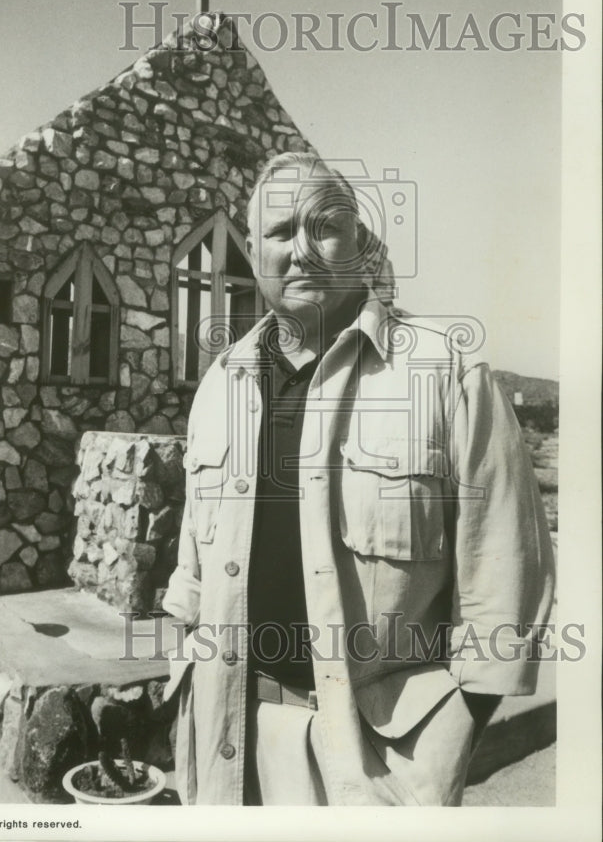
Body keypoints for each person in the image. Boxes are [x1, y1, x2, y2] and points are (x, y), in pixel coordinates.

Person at [162, 152, 555, 806]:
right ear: (251, 251)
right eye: (282, 232)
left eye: (326, 228)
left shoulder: (447, 374)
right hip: (226, 739)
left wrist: (442, 746)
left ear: (360, 243)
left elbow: (504, 582)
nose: (304, 251)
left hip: (376, 764)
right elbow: (191, 575)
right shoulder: (219, 384)